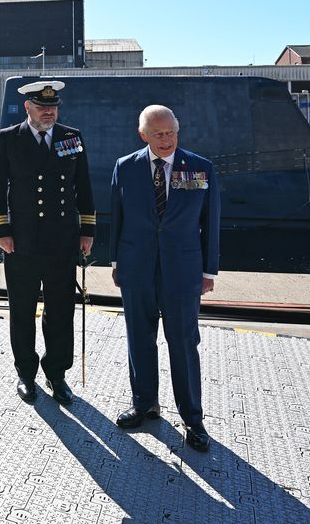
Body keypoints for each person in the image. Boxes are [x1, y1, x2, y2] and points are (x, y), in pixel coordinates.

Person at [109, 105, 220, 452]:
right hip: (136, 267)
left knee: (184, 343)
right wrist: (116, 262)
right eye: (158, 134)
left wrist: (208, 271)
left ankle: (192, 417)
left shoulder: (200, 168)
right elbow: (118, 217)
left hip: (183, 271)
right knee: (139, 337)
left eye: (171, 132)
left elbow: (210, 221)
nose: (166, 139)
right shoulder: (126, 168)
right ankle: (144, 403)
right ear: (142, 134)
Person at [0, 80, 95, 406]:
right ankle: (26, 373)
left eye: (53, 106)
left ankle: (56, 373)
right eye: (42, 106)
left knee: (61, 309)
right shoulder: (10, 139)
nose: (48, 111)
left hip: (62, 240)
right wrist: (1, 232)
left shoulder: (70, 137)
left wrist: (87, 231)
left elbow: (84, 185)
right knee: (22, 309)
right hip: (20, 241)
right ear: (28, 108)